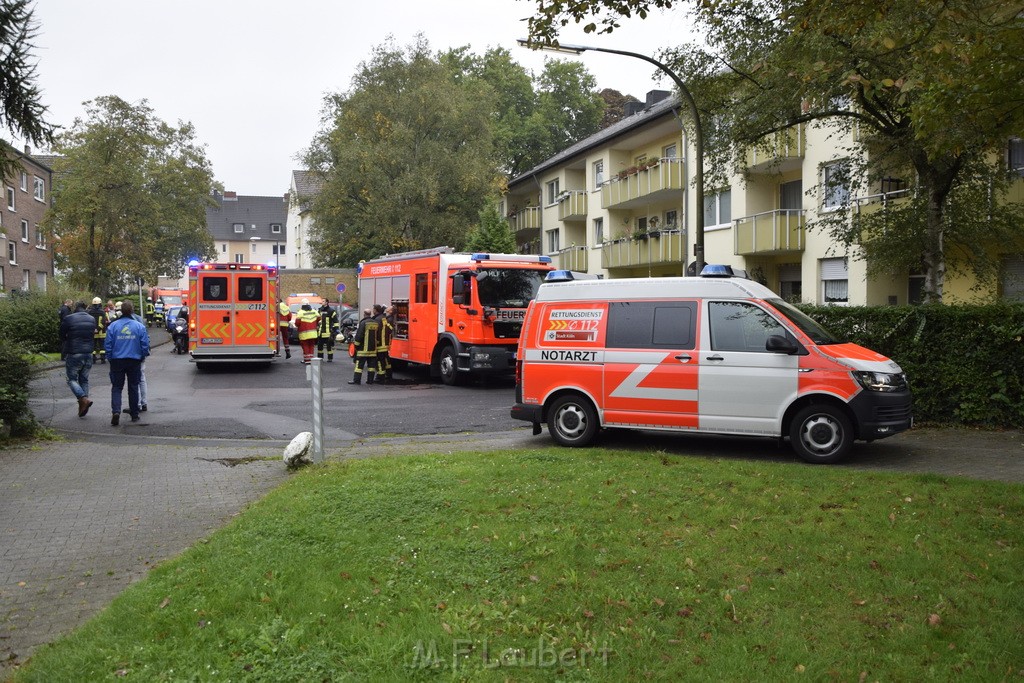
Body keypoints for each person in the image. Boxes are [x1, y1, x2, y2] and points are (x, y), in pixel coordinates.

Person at [104, 300, 150, 425]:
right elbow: (145, 344)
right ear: (132, 310)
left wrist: (110, 357)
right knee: (133, 387)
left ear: (121, 311)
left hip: (117, 361)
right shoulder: (139, 326)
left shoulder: (113, 326)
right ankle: (134, 414)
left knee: (117, 387)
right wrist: (142, 356)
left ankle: (116, 411)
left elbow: (107, 344)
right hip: (134, 360)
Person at [58, 301, 98, 417]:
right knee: (84, 379)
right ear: (85, 308)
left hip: (74, 352)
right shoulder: (91, 319)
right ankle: (83, 405)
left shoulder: (69, 318)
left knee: (71, 379)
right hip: (89, 352)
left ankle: (83, 399)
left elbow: (61, 334)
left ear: (76, 308)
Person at [349, 307, 379, 385]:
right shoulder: (375, 323)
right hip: (373, 349)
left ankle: (356, 380)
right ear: (370, 314)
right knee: (371, 367)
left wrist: (356, 345)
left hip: (363, 350)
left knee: (359, 366)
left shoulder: (363, 323)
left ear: (364, 314)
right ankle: (370, 381)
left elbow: (359, 335)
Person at [293, 298, 320, 364]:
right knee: (311, 346)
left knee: (305, 346)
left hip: (304, 333)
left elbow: (297, 323)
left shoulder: (300, 312)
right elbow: (319, 318)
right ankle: (311, 359)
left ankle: (307, 360)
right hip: (313, 333)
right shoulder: (314, 311)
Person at [374, 304, 394, 384]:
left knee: (380, 360)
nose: (387, 308)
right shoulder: (385, 319)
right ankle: (388, 375)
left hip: (380, 345)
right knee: (386, 360)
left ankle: (380, 376)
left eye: (389, 308)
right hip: (384, 344)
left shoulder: (385, 319)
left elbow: (388, 330)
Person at [87, 297, 108, 364]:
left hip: (93, 332)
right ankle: (103, 359)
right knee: (102, 347)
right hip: (102, 332)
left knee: (93, 346)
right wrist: (98, 329)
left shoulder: (89, 312)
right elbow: (103, 322)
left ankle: (93, 359)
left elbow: (89, 321)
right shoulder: (102, 312)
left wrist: (94, 329)